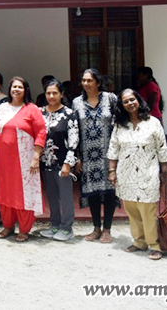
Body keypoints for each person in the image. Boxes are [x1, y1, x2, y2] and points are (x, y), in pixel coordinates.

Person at [107, 89, 167, 260]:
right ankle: (139, 241)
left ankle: (155, 244)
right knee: (132, 209)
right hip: (125, 174)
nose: (130, 103)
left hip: (148, 172)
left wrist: (164, 170)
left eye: (132, 99)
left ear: (139, 101)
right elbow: (113, 148)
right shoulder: (120, 125)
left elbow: (162, 147)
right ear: (122, 105)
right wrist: (112, 171)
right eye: (125, 101)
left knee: (147, 209)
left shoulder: (153, 122)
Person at [0, 76, 47, 242]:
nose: (16, 90)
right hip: (4, 159)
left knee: (24, 192)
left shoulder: (32, 109)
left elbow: (41, 132)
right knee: (5, 191)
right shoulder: (2, 108)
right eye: (14, 87)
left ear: (25, 90)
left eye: (20, 87)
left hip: (25, 159)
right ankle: (8, 226)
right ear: (10, 89)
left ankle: (24, 229)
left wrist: (36, 156)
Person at [72, 68, 118, 243]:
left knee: (109, 193)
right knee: (92, 193)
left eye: (89, 81)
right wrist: (77, 157)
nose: (86, 84)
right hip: (88, 156)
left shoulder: (111, 99)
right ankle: (96, 228)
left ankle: (107, 229)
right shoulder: (77, 102)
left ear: (98, 82)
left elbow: (118, 125)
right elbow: (74, 131)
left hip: (108, 154)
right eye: (83, 81)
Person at [39, 79, 79, 242]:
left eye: (55, 93)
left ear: (61, 94)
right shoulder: (40, 112)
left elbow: (74, 141)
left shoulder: (69, 114)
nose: (51, 96)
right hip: (45, 162)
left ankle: (66, 227)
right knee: (52, 195)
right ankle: (54, 224)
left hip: (63, 162)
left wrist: (68, 163)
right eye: (48, 93)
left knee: (65, 195)